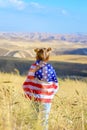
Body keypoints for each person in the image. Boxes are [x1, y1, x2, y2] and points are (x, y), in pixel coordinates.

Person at [23, 48, 59, 130]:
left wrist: (27, 90)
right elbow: (55, 83)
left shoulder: (33, 66)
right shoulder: (50, 67)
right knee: (44, 121)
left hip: (34, 97)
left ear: (37, 56)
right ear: (48, 57)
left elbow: (28, 80)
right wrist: (51, 93)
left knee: (33, 118)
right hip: (46, 99)